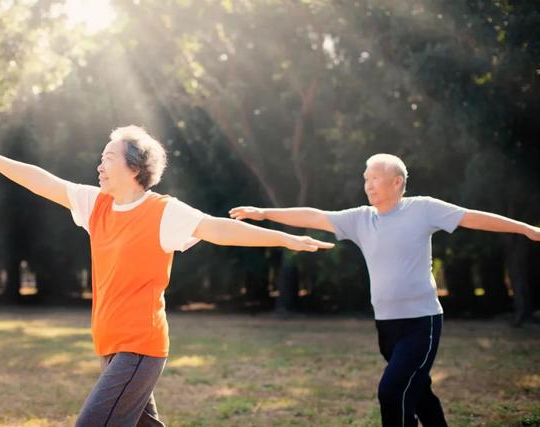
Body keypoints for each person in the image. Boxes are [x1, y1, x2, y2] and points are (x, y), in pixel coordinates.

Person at [0, 125, 333, 427]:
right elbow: (43, 181)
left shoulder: (163, 211)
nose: (99, 164)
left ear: (134, 168)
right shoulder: (96, 205)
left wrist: (285, 238)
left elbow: (219, 229)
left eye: (108, 157)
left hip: (140, 346)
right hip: (109, 343)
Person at [230, 153, 540, 427]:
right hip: (387, 325)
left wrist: (526, 229)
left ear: (396, 182)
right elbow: (313, 215)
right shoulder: (360, 219)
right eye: (365, 179)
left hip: (422, 322)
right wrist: (265, 213)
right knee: (418, 391)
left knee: (392, 391)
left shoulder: (424, 209)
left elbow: (473, 218)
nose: (368, 184)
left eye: (375, 178)